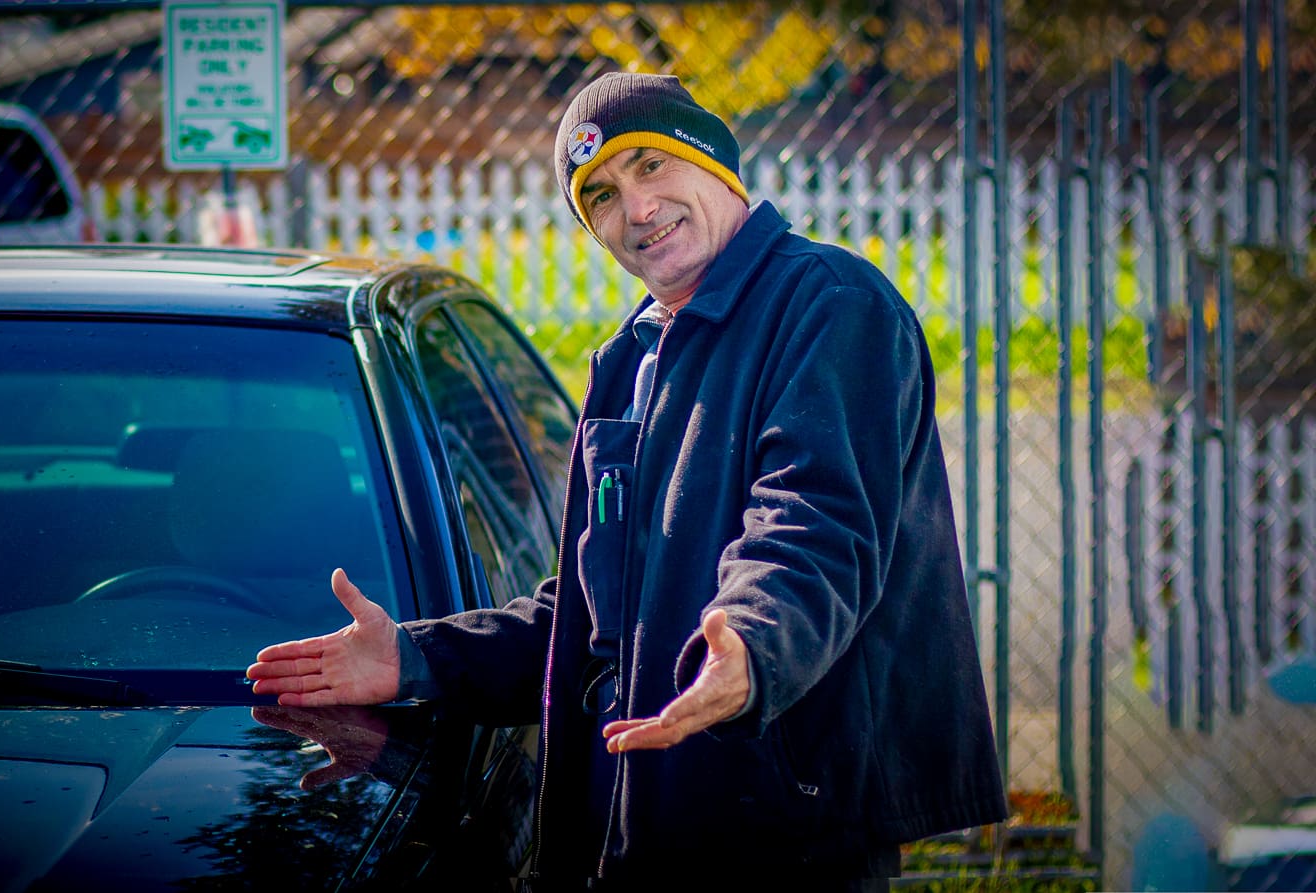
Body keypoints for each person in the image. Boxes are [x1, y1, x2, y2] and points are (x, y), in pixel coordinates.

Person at [247, 72, 1008, 889]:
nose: (636, 210)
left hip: (780, 831)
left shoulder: (831, 306)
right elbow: (592, 613)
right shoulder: (630, 358)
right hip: (634, 820)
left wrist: (750, 641)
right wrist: (417, 656)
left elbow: (813, 524)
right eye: (600, 196)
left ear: (716, 164)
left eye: (650, 165)